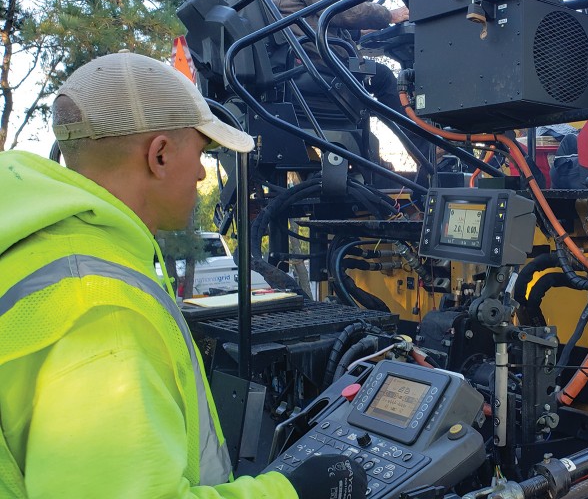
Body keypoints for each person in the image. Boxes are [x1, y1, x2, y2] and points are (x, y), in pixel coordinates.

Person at [0, 51, 365, 499]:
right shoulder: (102, 310)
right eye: (201, 152)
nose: (199, 174)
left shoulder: (35, 248)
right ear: (160, 155)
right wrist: (291, 492)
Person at [254, 0, 410, 117]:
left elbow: (303, 17)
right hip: (320, 60)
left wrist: (361, 32)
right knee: (384, 77)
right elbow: (340, 11)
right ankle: (425, 146)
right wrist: (389, 15)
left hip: (292, 58)